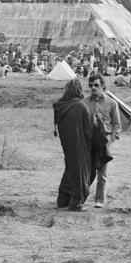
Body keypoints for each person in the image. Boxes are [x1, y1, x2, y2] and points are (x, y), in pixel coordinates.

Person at [53, 78, 94, 211]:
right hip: (80, 145)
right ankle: (76, 202)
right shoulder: (80, 106)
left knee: (70, 168)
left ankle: (63, 200)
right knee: (80, 172)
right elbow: (89, 129)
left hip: (67, 144)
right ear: (78, 90)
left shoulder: (61, 106)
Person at [85, 74, 121, 208]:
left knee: (102, 173)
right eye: (91, 85)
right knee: (87, 172)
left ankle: (99, 200)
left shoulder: (112, 103)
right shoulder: (84, 102)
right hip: (89, 142)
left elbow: (117, 126)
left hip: (104, 142)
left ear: (103, 86)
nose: (93, 88)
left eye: (96, 85)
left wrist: (109, 141)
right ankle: (82, 197)